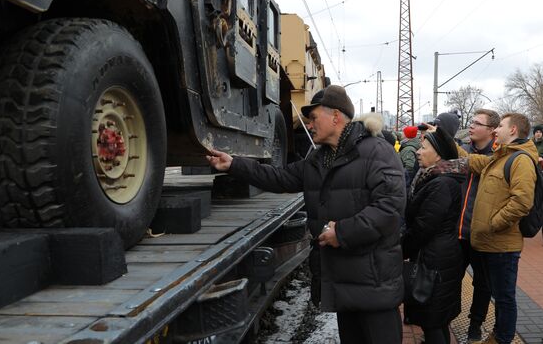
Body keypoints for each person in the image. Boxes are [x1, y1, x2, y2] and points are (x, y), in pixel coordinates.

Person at [206, 85, 406, 344]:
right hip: (345, 284)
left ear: (335, 116)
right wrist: (234, 164)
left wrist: (342, 233)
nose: (309, 125)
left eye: (313, 118)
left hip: (375, 283)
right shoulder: (318, 160)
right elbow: (279, 178)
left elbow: (389, 209)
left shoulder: (377, 151)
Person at [436, 113, 538, 344]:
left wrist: (492, 224)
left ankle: (501, 338)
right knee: (500, 295)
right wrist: (442, 138)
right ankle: (496, 337)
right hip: (489, 241)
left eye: (500, 126)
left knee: (503, 298)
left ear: (512, 130)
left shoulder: (519, 159)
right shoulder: (501, 156)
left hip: (501, 242)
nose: (496, 131)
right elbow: (472, 160)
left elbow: (522, 202)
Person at [401, 127, 464, 344]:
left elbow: (424, 227)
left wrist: (401, 249)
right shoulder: (437, 178)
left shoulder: (441, 184)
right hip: (438, 256)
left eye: (423, 147)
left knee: (433, 320)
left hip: (435, 260)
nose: (418, 152)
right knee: (436, 318)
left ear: (438, 153)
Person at [458, 109, 499, 343]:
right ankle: (443, 323)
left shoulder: (498, 156)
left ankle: (475, 325)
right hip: (457, 230)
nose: (471, 126)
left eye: (476, 123)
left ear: (491, 130)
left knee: (483, 283)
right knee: (451, 278)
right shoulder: (465, 150)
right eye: (471, 122)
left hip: (481, 234)